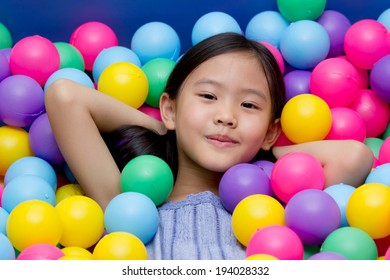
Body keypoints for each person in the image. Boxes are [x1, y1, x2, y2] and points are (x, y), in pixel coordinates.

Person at [45, 33, 374, 260]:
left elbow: (354, 157)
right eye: (207, 96)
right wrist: (169, 127)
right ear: (170, 108)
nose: (226, 117)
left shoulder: (269, 208)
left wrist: (261, 146)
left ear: (271, 130)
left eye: (248, 106)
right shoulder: (124, 203)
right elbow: (64, 95)